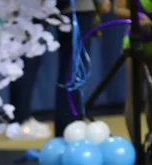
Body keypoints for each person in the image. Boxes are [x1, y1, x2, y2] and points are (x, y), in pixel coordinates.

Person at [8, 0, 112, 138]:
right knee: (73, 64)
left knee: (26, 56)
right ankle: (68, 127)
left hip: (32, 4)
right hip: (75, 6)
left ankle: (20, 123)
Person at [115, 0, 152, 141]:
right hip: (135, 45)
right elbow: (118, 10)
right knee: (134, 97)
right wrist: (138, 17)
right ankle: (136, 147)